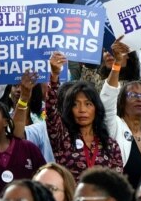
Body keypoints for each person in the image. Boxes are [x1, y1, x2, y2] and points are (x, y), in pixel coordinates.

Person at [46, 52, 123, 181]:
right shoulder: (62, 137)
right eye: (76, 105)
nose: (82, 110)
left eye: (88, 104)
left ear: (96, 108)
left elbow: (118, 182)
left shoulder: (110, 145)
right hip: (71, 200)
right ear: (69, 110)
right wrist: (54, 75)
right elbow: (51, 111)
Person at [101, 36, 141, 188]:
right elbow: (107, 99)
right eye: (133, 95)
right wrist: (117, 63)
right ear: (121, 101)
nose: (140, 99)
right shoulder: (115, 126)